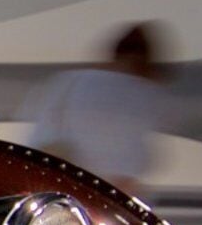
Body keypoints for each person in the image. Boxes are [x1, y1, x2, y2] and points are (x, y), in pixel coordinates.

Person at [23, 23, 171, 196]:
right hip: (99, 195)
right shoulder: (141, 91)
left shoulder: (69, 80)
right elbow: (130, 162)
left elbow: (41, 134)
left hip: (52, 185)